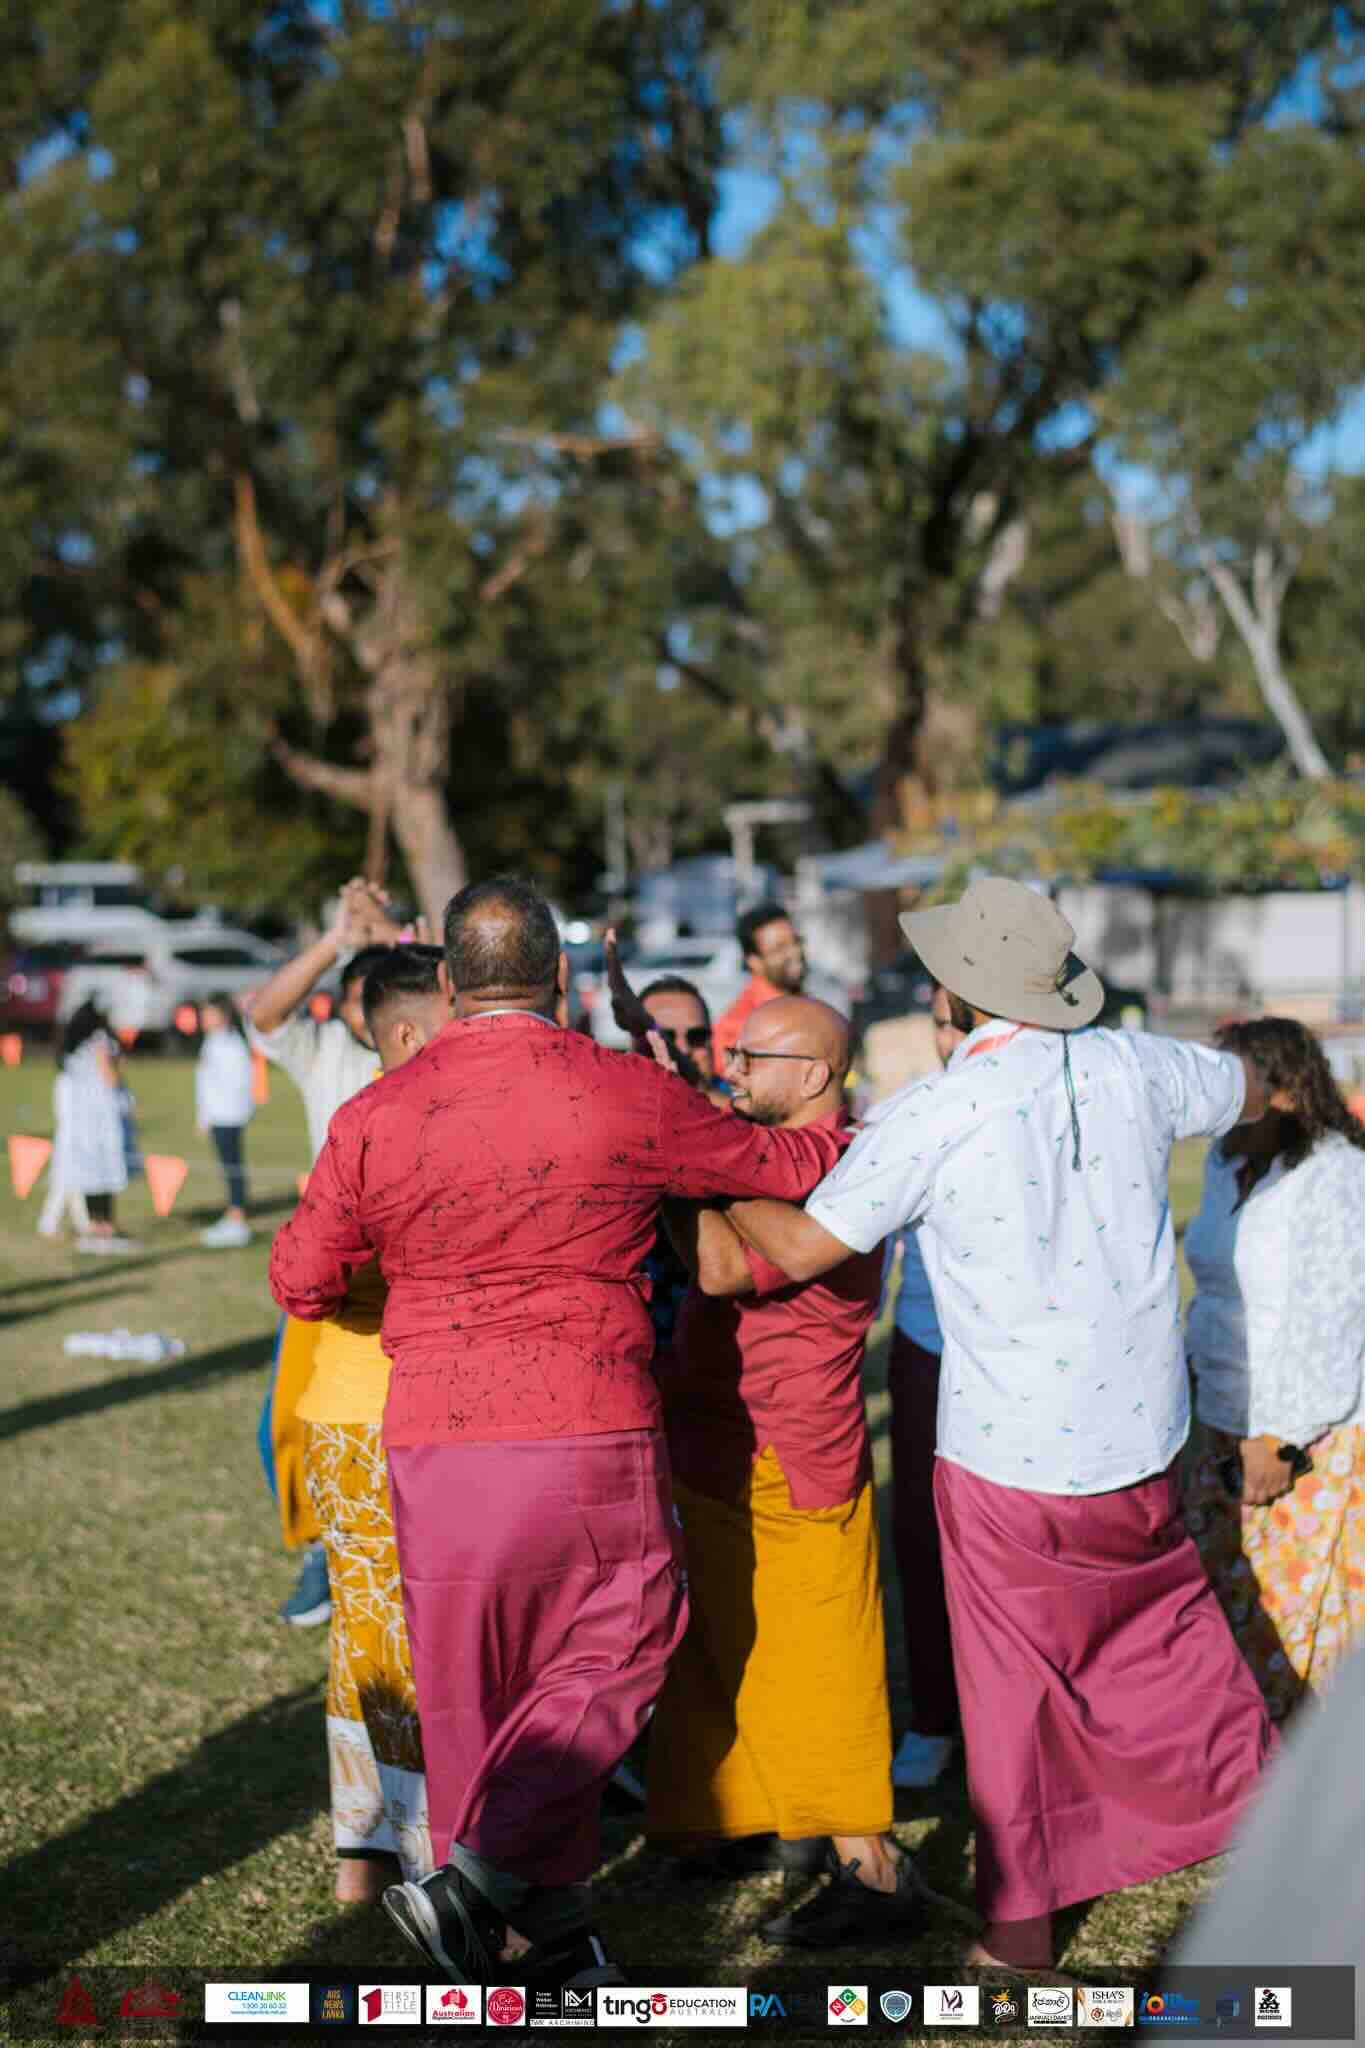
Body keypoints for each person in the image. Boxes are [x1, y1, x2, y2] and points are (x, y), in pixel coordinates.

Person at [269, 876, 848, 1990]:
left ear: (446, 982)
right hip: (588, 1417)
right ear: (564, 979)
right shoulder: (620, 1088)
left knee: (473, 1681)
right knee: (624, 1637)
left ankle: (547, 1933)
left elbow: (301, 1279)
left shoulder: (376, 1110)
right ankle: (482, 1882)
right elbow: (777, 1165)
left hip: (436, 1431)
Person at [719, 874, 1282, 1972]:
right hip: (1139, 1428)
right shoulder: (1137, 1061)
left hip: (1008, 1444)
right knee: (1164, 1638)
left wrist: (712, 1154)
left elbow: (791, 1253)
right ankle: (1264, 1818)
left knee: (1015, 1689)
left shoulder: (933, 1108)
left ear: (955, 990)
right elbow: (1250, 1082)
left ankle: (1022, 1928)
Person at [646, 994, 934, 1947]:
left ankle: (871, 1868)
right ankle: (743, 1820)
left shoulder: (843, 1164)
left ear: (812, 1074)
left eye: (750, 1055)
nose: (731, 1067)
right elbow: (708, 1249)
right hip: (711, 1433)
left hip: (793, 1446)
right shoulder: (750, 1149)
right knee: (720, 1642)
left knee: (819, 1662)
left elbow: (724, 1268)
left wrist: (689, 1161)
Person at [297, 945, 451, 1904]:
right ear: (400, 1033)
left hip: (444, 1413)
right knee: (376, 1633)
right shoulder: (364, 1126)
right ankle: (398, 1845)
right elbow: (308, 1277)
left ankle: (375, 1847)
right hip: (362, 1411)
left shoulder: (458, 1118)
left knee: (400, 1628)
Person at [1183, 1016, 1365, 1722]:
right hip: (1223, 1415)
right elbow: (1211, 1288)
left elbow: (1334, 1314)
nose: (1216, 1103)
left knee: (1302, 1620)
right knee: (1228, 1602)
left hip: (1308, 1431)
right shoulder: (1222, 1162)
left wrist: (1280, 1437)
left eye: (1234, 1084)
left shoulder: (1338, 1174)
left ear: (1285, 1088)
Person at [249, 879, 405, 1628]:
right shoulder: (326, 1055)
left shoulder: (426, 1059)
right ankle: (324, 1549)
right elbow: (265, 1012)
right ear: (345, 1007)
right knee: (284, 1422)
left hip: (412, 1271)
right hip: (335, 1270)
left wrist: (399, 936)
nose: (374, 1013)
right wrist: (336, 940)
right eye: (358, 996)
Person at [884, 982, 966, 1790]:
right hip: (929, 1344)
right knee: (920, 1533)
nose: (952, 1036)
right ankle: (936, 1716)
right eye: (940, 1022)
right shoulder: (911, 1111)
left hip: (1024, 1352)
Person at [53, 1000, 135, 1253]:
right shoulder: (100, 1042)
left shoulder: (73, 1050)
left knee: (90, 1174)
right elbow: (110, 1079)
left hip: (80, 1121)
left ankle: (95, 1225)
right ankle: (105, 1227)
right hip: (102, 1120)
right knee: (104, 1173)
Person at [711, 901, 806, 1069]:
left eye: (796, 942)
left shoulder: (803, 1002)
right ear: (754, 962)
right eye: (780, 948)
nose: (795, 952)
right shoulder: (739, 1027)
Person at [195, 994, 255, 1250]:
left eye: (209, 1013)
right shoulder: (212, 1042)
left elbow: (240, 1082)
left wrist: (231, 1110)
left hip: (229, 1114)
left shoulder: (232, 1043)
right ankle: (234, 1211)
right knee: (226, 1163)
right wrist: (203, 1116)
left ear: (223, 1014)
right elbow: (205, 1084)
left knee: (232, 1164)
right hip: (217, 1114)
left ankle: (237, 1215)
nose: (203, 1019)